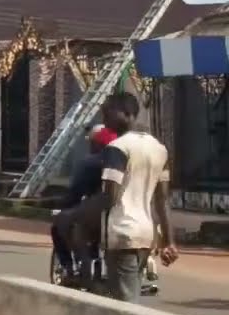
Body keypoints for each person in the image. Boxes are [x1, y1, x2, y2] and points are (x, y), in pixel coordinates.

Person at [96, 92, 178, 303]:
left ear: (127, 114)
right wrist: (169, 242)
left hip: (122, 233)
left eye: (108, 112)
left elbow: (110, 196)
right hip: (146, 235)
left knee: (124, 306)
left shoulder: (117, 148)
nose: (104, 118)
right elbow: (162, 200)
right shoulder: (159, 149)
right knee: (130, 296)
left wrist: (87, 216)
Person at [51, 124, 117, 283]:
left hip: (97, 213)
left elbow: (74, 193)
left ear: (96, 144)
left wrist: (62, 207)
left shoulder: (90, 163)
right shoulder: (126, 160)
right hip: (127, 214)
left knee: (60, 224)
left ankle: (71, 267)